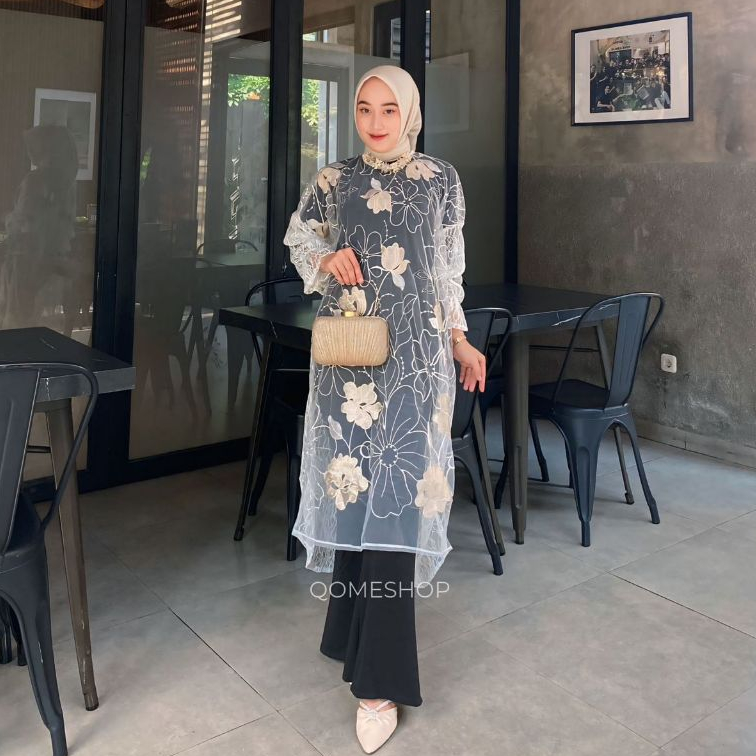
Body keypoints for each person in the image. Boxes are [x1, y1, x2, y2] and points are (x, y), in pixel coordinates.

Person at [283, 64, 486, 753]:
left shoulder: (440, 180)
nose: (375, 121)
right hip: (351, 363)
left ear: (410, 113)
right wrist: (328, 258)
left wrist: (460, 339)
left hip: (419, 364)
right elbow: (299, 239)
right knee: (356, 496)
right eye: (365, 108)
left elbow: (448, 269)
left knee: (397, 500)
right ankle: (350, 636)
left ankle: (378, 682)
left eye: (388, 109)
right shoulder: (335, 180)